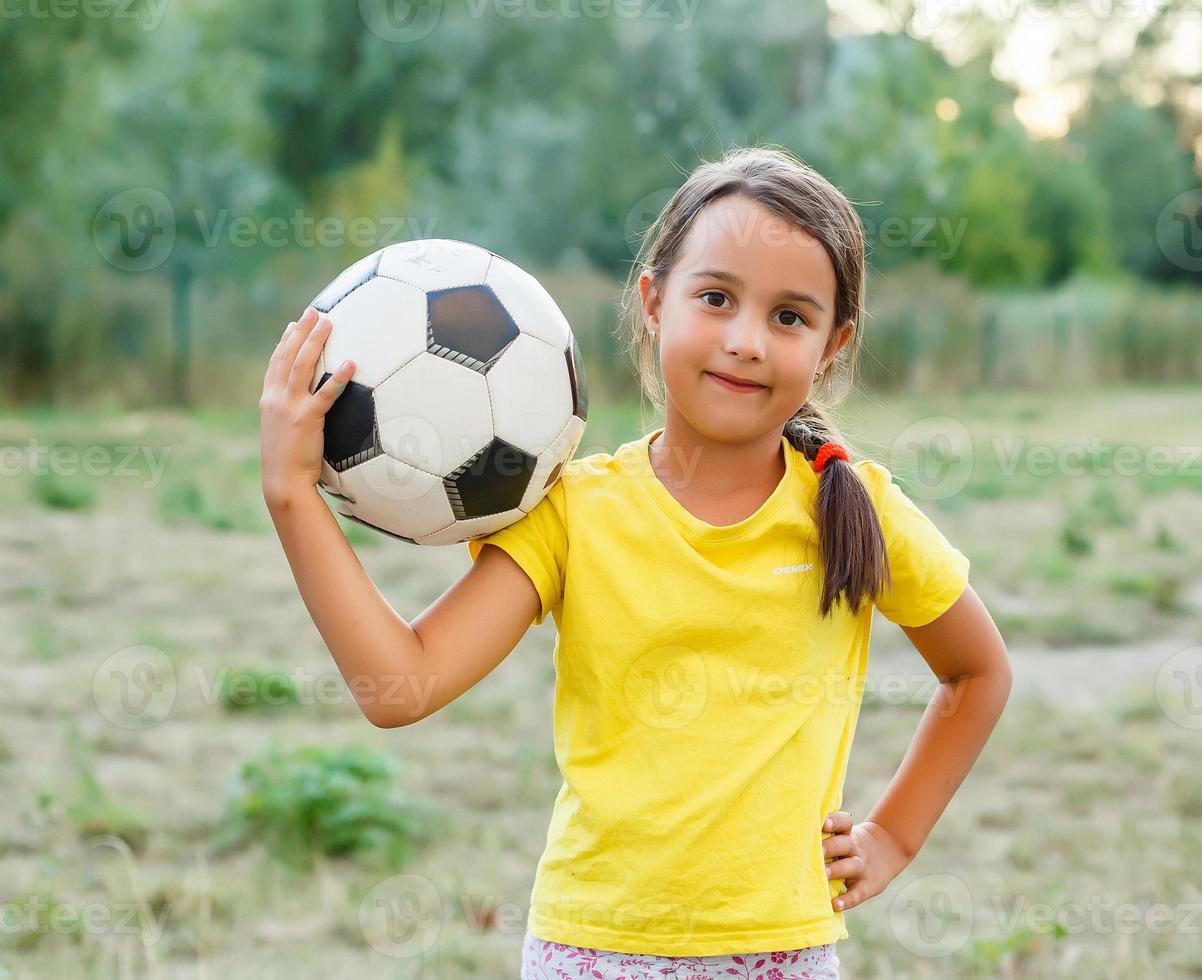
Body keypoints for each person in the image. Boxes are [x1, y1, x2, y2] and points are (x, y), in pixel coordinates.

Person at [259, 144, 1012, 979]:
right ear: (654, 301)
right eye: (717, 298)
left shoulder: (856, 510)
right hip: (592, 951)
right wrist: (293, 493)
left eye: (789, 317)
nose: (746, 341)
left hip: (783, 955)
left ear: (834, 344)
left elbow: (978, 673)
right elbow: (402, 684)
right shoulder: (574, 514)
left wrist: (893, 835)